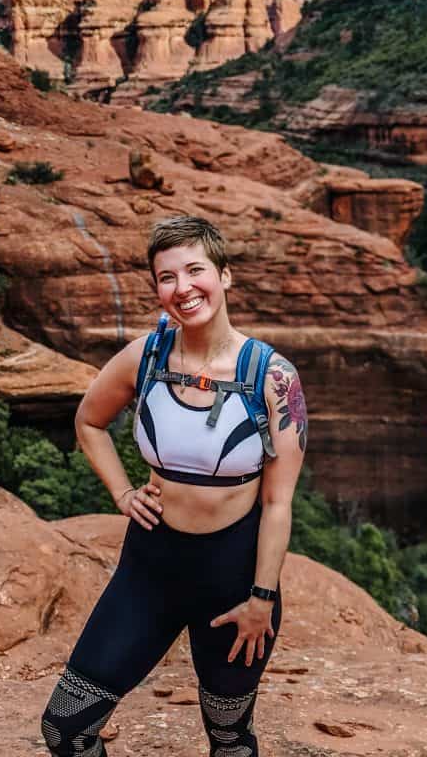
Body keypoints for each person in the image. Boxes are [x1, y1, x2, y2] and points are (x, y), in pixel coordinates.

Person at [40, 215, 307, 757]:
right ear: (158, 289)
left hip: (234, 580)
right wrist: (121, 493)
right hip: (151, 569)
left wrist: (261, 598)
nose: (183, 288)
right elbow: (88, 423)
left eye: (195, 270)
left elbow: (278, 503)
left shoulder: (273, 377)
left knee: (229, 741)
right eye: (167, 277)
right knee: (65, 730)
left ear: (225, 276)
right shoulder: (147, 356)